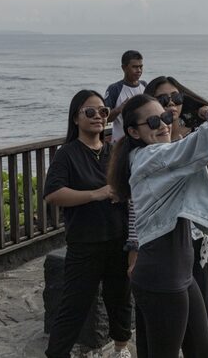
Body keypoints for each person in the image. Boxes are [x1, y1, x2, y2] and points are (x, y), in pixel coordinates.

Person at [108, 87, 208, 358]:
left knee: (202, 349)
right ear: (134, 132)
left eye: (165, 117)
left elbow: (202, 144)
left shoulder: (163, 155)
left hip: (181, 271)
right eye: (153, 121)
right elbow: (196, 146)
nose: (163, 125)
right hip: (161, 275)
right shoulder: (149, 158)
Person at [43, 90, 132, 358]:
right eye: (90, 112)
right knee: (74, 305)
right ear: (75, 118)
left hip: (118, 239)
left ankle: (121, 350)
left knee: (120, 300)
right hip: (85, 243)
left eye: (103, 111)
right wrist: (97, 194)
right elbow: (53, 194)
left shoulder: (114, 151)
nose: (98, 117)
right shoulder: (67, 154)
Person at [142, 75, 208, 358]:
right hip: (163, 241)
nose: (171, 105)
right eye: (163, 100)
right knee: (162, 325)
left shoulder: (193, 134)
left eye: (177, 98)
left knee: (202, 319)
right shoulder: (150, 144)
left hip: (193, 236)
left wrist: (206, 111)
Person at [104, 50, 146, 142]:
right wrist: (119, 109)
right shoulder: (114, 89)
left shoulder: (145, 86)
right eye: (135, 67)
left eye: (141, 67)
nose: (139, 70)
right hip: (120, 143)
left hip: (142, 141)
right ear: (124, 68)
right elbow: (104, 118)